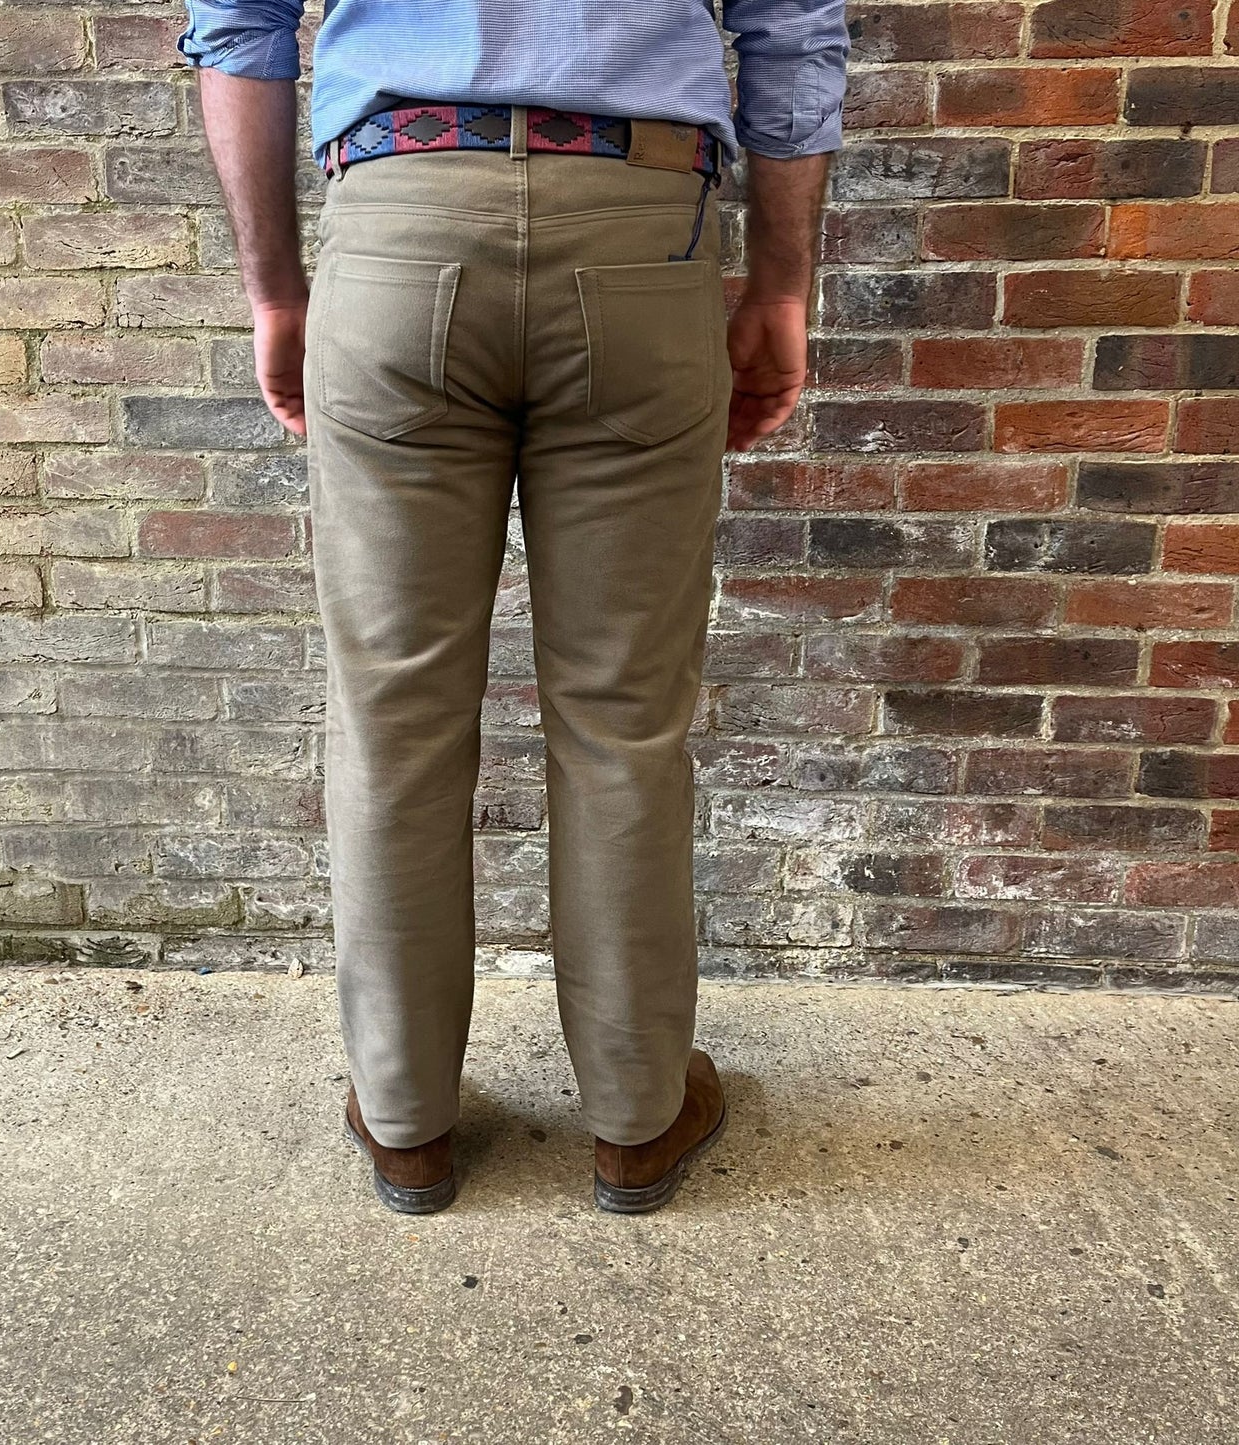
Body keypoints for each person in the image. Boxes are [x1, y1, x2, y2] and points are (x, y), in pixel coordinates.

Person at [177, 0, 849, 1215]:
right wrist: (782, 282)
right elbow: (792, 31)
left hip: (398, 223)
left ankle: (404, 1121)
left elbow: (239, 25)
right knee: (623, 714)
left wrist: (276, 289)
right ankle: (637, 1117)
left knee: (392, 713)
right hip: (642, 236)